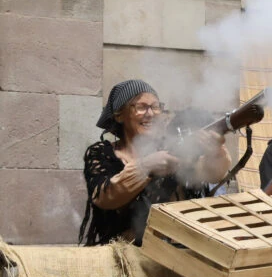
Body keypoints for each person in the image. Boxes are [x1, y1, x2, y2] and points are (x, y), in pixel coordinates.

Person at [79, 79, 231, 246]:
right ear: (119, 115)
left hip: (171, 253)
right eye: (141, 107)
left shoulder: (171, 146)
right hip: (121, 254)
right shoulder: (101, 153)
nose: (150, 113)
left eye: (155, 106)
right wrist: (145, 167)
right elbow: (104, 197)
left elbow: (211, 173)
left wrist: (215, 152)